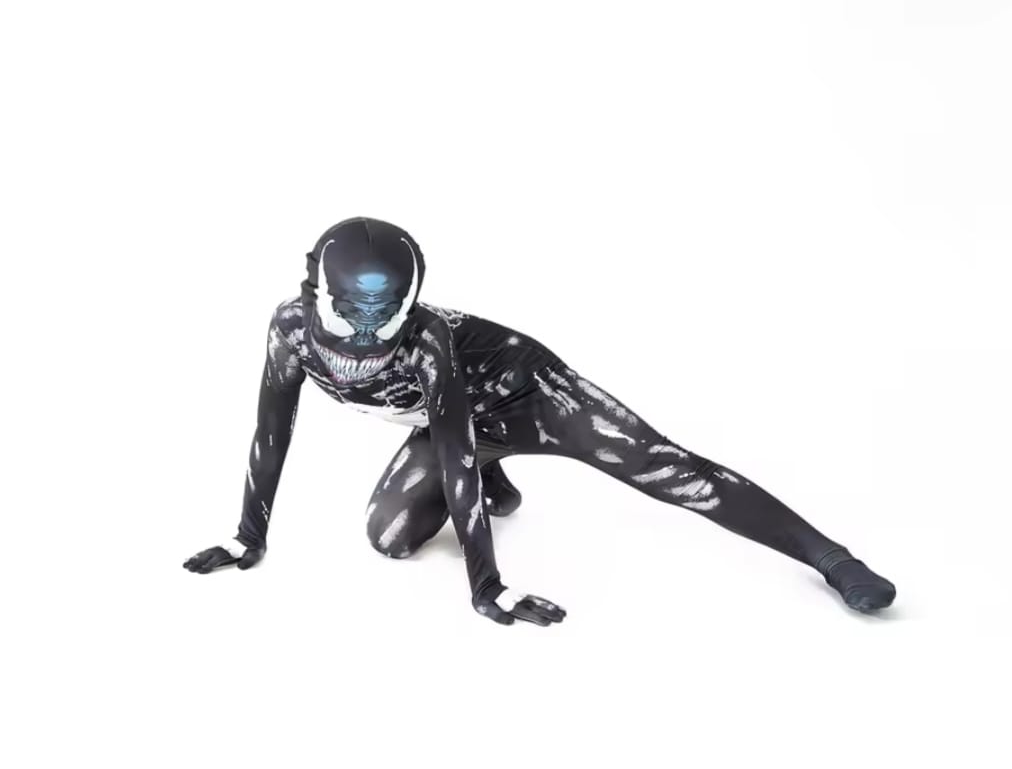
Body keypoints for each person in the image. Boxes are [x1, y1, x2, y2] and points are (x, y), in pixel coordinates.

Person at [183, 217, 896, 626]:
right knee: (390, 540)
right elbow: (272, 430)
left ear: (413, 302)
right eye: (349, 316)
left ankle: (832, 558)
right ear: (313, 288)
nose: (367, 338)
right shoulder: (289, 330)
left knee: (663, 468)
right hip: (460, 424)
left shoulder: (429, 342)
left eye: (387, 318)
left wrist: (485, 587)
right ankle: (503, 481)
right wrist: (248, 535)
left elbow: (456, 454)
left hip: (529, 393)